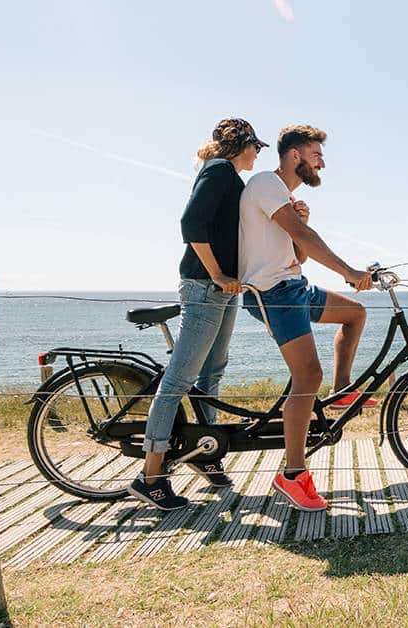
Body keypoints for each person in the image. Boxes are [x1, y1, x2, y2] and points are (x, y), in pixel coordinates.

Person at [126, 118, 267, 510]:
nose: (258, 153)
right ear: (243, 144)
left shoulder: (228, 175)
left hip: (222, 289)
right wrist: (217, 272)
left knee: (211, 373)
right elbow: (191, 223)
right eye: (257, 146)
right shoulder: (221, 170)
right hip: (207, 287)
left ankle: (204, 454)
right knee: (178, 381)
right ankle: (150, 477)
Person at [238, 124, 374, 511]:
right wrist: (347, 270)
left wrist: (303, 227)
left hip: (295, 286)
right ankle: (292, 475)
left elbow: (298, 256)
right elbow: (301, 239)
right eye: (317, 156)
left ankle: (342, 389)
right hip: (274, 294)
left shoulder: (284, 198)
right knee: (307, 376)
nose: (322, 164)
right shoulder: (266, 183)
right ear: (295, 155)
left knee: (355, 313)